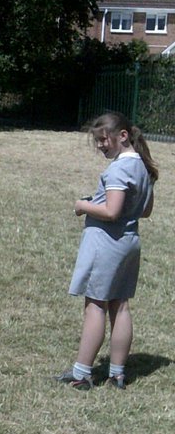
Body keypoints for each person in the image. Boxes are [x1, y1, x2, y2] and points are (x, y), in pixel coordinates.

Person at [58, 111, 158, 390]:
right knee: (120, 305)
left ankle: (81, 374)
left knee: (95, 306)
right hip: (129, 243)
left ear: (122, 136)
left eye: (104, 139)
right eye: (97, 140)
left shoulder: (118, 169)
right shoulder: (143, 167)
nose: (101, 145)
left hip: (107, 245)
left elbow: (111, 211)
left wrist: (82, 205)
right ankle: (117, 373)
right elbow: (146, 211)